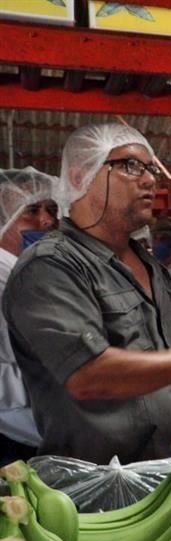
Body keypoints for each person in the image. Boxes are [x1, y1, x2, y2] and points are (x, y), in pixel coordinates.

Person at [2, 123, 171, 464]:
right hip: (102, 483)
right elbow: (88, 377)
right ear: (81, 177)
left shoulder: (154, 270)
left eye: (151, 168)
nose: (150, 179)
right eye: (130, 166)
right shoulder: (50, 267)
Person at [0, 168, 59, 464]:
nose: (45, 221)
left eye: (51, 210)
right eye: (31, 211)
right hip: (12, 443)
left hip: (43, 439)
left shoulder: (31, 274)